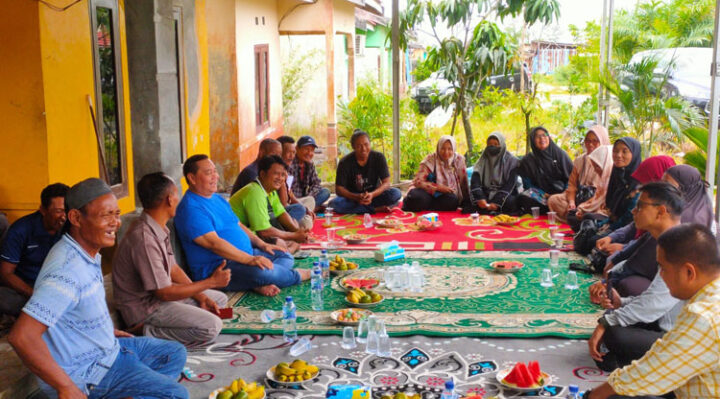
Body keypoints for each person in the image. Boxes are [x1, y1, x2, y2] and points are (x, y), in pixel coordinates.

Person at [8, 178, 188, 399]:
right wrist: (66, 388)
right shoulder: (66, 271)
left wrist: (101, 332)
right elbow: (22, 336)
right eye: (106, 215)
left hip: (108, 351)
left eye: (116, 214)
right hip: (89, 374)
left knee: (173, 353)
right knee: (174, 394)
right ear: (75, 218)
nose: (116, 222)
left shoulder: (86, 252)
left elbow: (70, 311)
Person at [585, 223, 720, 399]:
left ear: (689, 272)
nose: (661, 276)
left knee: (618, 393)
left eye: (663, 269)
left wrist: (592, 396)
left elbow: (651, 371)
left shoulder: (703, 315)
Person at [113, 172, 231, 348]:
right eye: (177, 194)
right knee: (211, 327)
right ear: (169, 199)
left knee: (218, 300)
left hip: (162, 298)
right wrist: (210, 282)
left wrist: (200, 296)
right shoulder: (144, 238)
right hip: (146, 309)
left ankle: (186, 315)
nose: (179, 199)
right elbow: (164, 293)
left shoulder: (157, 227)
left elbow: (173, 269)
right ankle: (145, 332)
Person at [174, 154, 310, 297]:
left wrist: (262, 245)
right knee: (262, 272)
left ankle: (258, 281)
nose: (216, 176)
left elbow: (238, 224)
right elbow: (214, 243)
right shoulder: (191, 209)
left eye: (215, 171)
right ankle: (298, 275)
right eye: (209, 173)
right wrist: (250, 260)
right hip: (220, 267)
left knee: (284, 255)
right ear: (192, 178)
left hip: (246, 255)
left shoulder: (217, 198)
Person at [587, 182, 684, 373]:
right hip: (663, 320)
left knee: (613, 331)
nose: (633, 211)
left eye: (640, 206)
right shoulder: (666, 240)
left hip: (681, 336)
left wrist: (605, 324)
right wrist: (621, 303)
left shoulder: (680, 246)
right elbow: (657, 297)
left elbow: (654, 303)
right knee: (613, 319)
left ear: (661, 211)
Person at [0, 183, 69, 317]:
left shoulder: (71, 228)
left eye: (67, 210)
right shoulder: (20, 230)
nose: (64, 216)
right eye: (58, 211)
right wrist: (34, 294)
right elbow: (6, 273)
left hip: (55, 286)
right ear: (43, 210)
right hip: (25, 288)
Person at [230, 156, 309, 252]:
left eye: (283, 175)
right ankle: (287, 252)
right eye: (276, 174)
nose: (280, 178)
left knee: (289, 238)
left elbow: (281, 214)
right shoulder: (255, 192)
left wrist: (298, 232)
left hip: (256, 233)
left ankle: (288, 249)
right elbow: (264, 231)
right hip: (238, 239)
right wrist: (293, 236)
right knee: (281, 243)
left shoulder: (271, 191)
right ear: (263, 174)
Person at [231, 138, 311, 229]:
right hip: (254, 220)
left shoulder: (270, 186)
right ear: (261, 152)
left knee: (304, 206)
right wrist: (291, 234)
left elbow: (280, 207)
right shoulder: (253, 177)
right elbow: (268, 216)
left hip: (267, 213)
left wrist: (282, 180)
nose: (277, 158)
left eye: (279, 155)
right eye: (274, 154)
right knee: (301, 216)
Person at [548, 125, 611, 226]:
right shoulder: (579, 161)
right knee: (553, 200)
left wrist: (584, 206)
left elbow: (604, 194)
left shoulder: (608, 160)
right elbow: (572, 185)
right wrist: (572, 202)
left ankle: (581, 218)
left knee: (602, 211)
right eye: (587, 140)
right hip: (580, 196)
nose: (590, 144)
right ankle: (581, 217)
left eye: (595, 141)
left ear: (603, 141)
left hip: (596, 201)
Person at [329, 129, 402, 214]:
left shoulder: (378, 157)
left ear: (369, 144)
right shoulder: (344, 162)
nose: (363, 149)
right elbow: (339, 189)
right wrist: (356, 197)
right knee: (334, 204)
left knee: (396, 193)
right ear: (353, 147)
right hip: (353, 198)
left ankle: (362, 209)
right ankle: (375, 209)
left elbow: (386, 183)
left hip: (374, 196)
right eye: (359, 146)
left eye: (366, 144)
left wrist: (372, 194)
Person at [402, 135, 469, 212]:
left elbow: (464, 183)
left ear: (454, 149)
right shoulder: (430, 159)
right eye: (443, 148)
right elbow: (418, 181)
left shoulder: (459, 160)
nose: (446, 152)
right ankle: (416, 203)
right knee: (418, 198)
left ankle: (424, 206)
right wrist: (438, 187)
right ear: (438, 148)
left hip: (443, 195)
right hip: (426, 192)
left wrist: (466, 201)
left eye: (449, 149)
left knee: (453, 201)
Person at [517, 126, 574, 214]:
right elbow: (527, 184)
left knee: (568, 200)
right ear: (532, 140)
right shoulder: (528, 160)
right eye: (537, 136)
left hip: (562, 195)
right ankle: (552, 208)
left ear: (549, 137)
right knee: (522, 198)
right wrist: (544, 194)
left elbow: (572, 179)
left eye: (544, 135)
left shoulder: (560, 155)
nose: (542, 138)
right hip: (542, 196)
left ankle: (553, 207)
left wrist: (562, 194)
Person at [465, 132, 520, 214]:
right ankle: (489, 209)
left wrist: (497, 202)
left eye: (496, 144)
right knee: (468, 200)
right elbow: (475, 181)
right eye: (490, 144)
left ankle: (490, 210)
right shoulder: (482, 160)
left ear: (502, 145)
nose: (492, 146)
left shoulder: (512, 161)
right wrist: (480, 198)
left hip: (503, 194)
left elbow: (510, 185)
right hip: (485, 193)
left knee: (511, 202)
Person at [664, 164, 714, 230]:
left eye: (668, 184)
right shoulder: (703, 206)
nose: (662, 187)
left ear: (685, 188)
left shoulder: (683, 218)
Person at [289, 135, 331, 212]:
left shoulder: (310, 164)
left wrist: (309, 197)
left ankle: (308, 208)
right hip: (292, 200)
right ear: (297, 148)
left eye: (312, 150)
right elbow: (287, 190)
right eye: (306, 149)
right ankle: (311, 209)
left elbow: (316, 184)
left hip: (306, 198)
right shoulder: (290, 164)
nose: (309, 153)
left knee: (325, 192)